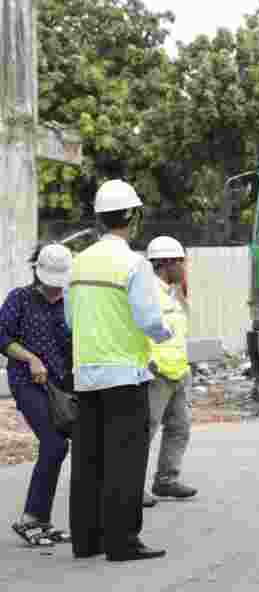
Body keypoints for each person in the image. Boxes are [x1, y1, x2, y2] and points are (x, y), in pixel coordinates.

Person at [66, 179, 173, 562]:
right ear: (131, 216)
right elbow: (149, 320)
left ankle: (86, 541)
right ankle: (122, 541)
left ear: (97, 217)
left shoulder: (78, 263)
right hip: (125, 376)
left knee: (88, 460)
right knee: (125, 462)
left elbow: (68, 318)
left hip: (86, 374)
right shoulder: (134, 263)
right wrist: (167, 330)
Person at [3, 244, 74, 547]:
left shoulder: (70, 303)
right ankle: (32, 518)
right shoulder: (20, 298)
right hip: (27, 383)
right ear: (37, 273)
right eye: (50, 281)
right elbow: (1, 336)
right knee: (55, 443)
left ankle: (41, 519)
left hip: (62, 386)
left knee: (62, 446)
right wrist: (31, 358)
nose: (55, 288)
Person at [144, 236, 199, 502]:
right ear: (166, 263)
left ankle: (166, 479)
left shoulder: (171, 293)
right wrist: (148, 364)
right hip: (156, 374)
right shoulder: (147, 292)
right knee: (144, 431)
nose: (184, 268)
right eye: (181, 262)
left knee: (179, 427)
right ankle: (131, 486)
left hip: (178, 372)